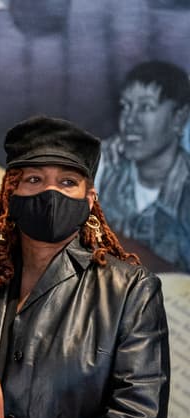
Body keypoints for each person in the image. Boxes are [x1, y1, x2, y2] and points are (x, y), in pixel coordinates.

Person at [0, 116, 170, 418]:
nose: (50, 192)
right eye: (34, 179)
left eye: (68, 181)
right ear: (9, 193)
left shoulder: (130, 291)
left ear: (90, 199)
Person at [95, 60, 190, 272]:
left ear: (178, 118)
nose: (129, 120)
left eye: (146, 107)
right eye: (126, 106)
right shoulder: (105, 164)